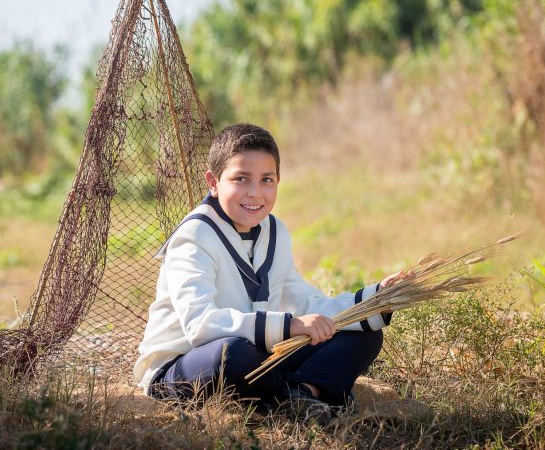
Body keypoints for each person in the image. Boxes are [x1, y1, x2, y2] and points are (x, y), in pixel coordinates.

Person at [133, 123, 398, 418]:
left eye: (266, 180)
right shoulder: (194, 235)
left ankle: (301, 395)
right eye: (241, 179)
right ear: (213, 181)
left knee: (363, 333)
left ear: (278, 181)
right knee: (232, 354)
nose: (255, 193)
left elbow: (305, 302)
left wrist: (375, 299)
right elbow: (200, 325)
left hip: (260, 354)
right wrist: (290, 326)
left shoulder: (275, 231)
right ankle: (299, 390)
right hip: (187, 364)